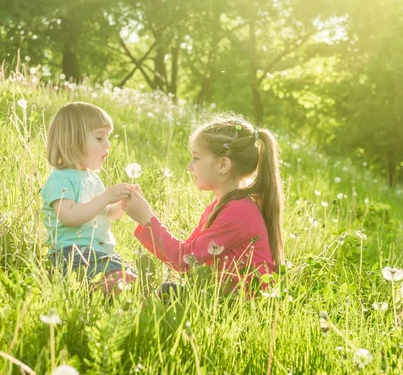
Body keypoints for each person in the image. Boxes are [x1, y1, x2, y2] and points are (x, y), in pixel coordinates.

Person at [123, 114, 284, 293]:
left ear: (223, 165)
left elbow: (184, 259)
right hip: (220, 296)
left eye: (196, 158)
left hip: (238, 305)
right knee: (164, 290)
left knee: (167, 292)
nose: (189, 166)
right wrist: (145, 219)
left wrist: (147, 218)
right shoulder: (222, 205)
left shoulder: (238, 212)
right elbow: (185, 258)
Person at [42, 102, 137, 293]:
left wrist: (122, 203)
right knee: (118, 280)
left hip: (101, 255)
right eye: (100, 137)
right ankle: (113, 290)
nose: (107, 144)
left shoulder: (92, 178)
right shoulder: (60, 179)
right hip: (72, 255)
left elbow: (104, 215)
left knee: (130, 277)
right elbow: (69, 217)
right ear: (72, 141)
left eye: (107, 138)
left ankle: (145, 292)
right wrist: (105, 198)